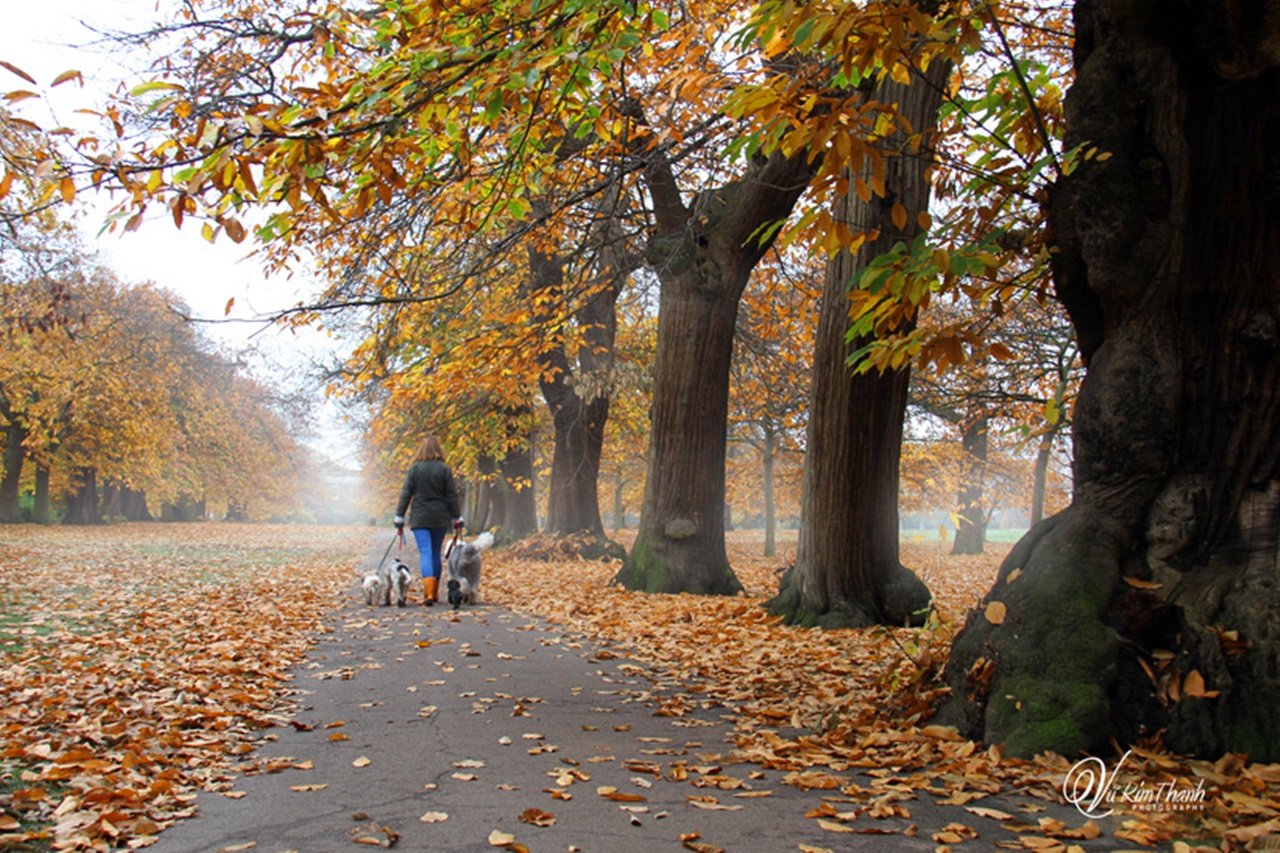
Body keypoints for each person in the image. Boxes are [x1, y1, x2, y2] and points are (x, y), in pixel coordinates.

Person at [394, 436, 464, 606]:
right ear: (439, 450)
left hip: (420, 516)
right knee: (435, 553)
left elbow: (406, 493)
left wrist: (399, 515)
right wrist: (457, 516)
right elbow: (451, 496)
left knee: (425, 552)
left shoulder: (415, 469)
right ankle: (434, 592)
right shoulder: (444, 470)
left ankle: (428, 594)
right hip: (440, 517)